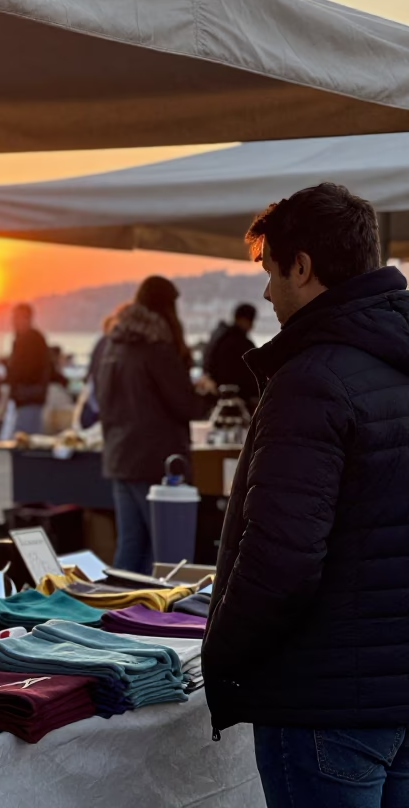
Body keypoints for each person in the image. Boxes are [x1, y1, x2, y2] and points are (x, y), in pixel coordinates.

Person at [203, 183, 409, 807]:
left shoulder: (312, 378)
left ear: (302, 266)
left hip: (326, 699)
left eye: (270, 271)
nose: (266, 293)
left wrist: (224, 657)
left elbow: (281, 561)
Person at [94, 276, 200, 574]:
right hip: (154, 461)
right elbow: (186, 405)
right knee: (162, 550)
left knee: (129, 545)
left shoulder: (112, 346)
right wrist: (202, 390)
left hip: (119, 457)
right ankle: (151, 617)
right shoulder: (156, 349)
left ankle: (117, 614)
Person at [4, 303, 50, 435]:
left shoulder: (30, 340)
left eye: (16, 318)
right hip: (27, 398)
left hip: (28, 398)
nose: (13, 322)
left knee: (24, 440)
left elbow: (23, 370)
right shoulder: (30, 339)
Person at [203, 303, 259, 407]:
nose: (252, 325)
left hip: (220, 393)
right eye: (251, 321)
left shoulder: (221, 337)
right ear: (243, 320)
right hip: (238, 396)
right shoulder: (240, 343)